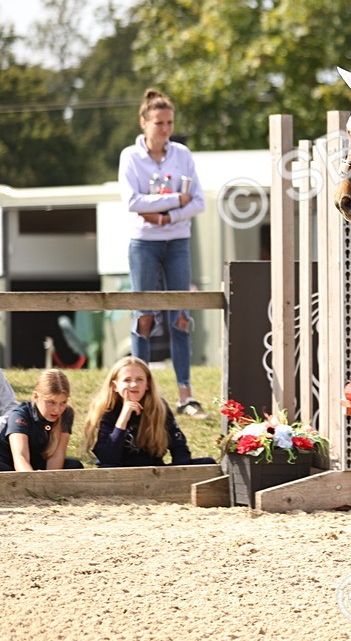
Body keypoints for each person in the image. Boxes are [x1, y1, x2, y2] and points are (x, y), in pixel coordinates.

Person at [118, 89, 207, 416]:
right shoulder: (130, 156)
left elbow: (198, 201)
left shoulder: (182, 154)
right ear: (144, 123)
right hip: (143, 243)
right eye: (158, 123)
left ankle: (186, 395)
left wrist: (165, 214)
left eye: (169, 122)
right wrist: (175, 199)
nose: (165, 129)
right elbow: (131, 202)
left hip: (177, 241)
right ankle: (136, 394)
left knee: (181, 316)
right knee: (143, 315)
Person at [82, 356, 214, 467]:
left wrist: (179, 473)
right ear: (115, 386)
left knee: (208, 463)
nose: (134, 385)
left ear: (147, 384)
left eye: (139, 379)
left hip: (152, 470)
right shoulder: (107, 409)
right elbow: (108, 458)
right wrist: (124, 417)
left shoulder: (159, 407)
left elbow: (179, 448)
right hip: (118, 473)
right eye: (127, 380)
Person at [0, 369, 83, 472]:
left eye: (63, 402)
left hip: (37, 461)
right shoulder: (20, 415)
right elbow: (21, 457)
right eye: (51, 402)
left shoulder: (66, 413)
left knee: (74, 466)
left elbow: (57, 455)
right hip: (11, 463)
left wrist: (48, 481)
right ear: (36, 397)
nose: (57, 410)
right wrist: (33, 483)